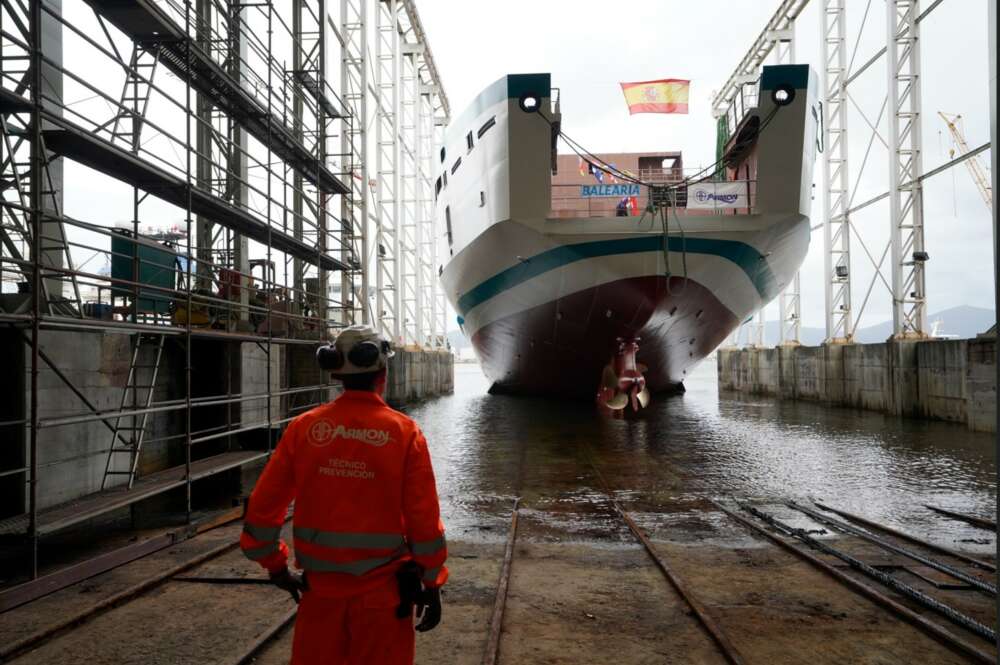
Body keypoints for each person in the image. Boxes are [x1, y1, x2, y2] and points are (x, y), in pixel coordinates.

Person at [240, 325, 448, 664]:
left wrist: (276, 567)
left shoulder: (303, 429)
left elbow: (262, 515)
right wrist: (432, 580)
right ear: (384, 369)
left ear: (335, 370)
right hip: (384, 600)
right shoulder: (404, 433)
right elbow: (424, 523)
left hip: (319, 597)